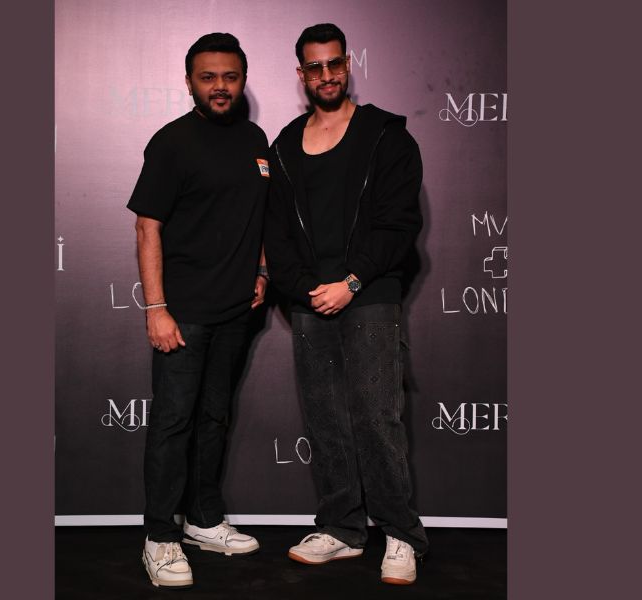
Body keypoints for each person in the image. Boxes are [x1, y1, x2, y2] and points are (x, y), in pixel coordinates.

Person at [263, 23, 429, 585]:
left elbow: (399, 224)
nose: (327, 75)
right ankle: (342, 527)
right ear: (301, 73)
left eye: (335, 64)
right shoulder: (285, 146)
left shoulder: (386, 136)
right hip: (311, 300)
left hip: (370, 295)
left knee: (376, 417)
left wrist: (352, 282)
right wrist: (305, 288)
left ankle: (401, 534)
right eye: (315, 67)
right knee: (326, 419)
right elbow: (276, 232)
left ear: (349, 63)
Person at [126, 32, 269, 589]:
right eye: (208, 77)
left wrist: (261, 271)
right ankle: (160, 536)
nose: (220, 86)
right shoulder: (171, 143)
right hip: (182, 313)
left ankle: (204, 520)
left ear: (243, 80)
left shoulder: (256, 140)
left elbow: (259, 216)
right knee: (173, 423)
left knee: (214, 419)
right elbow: (147, 227)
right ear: (189, 82)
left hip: (235, 311)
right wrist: (156, 309)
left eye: (229, 76)